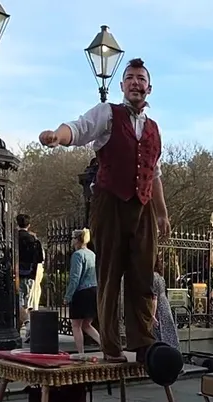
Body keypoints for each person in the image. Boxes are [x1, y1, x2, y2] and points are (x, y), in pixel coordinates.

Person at [38, 58, 170, 363]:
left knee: (143, 276)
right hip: (110, 202)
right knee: (110, 274)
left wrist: (162, 213)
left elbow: (155, 173)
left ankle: (142, 342)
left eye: (141, 78)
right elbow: (78, 128)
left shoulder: (154, 128)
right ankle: (111, 345)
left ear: (149, 88)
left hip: (143, 205)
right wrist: (57, 137)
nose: (135, 82)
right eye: (130, 77)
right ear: (122, 85)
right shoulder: (108, 113)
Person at [64, 229, 101, 355]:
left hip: (81, 292)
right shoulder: (92, 254)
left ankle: (81, 353)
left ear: (77, 240)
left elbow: (75, 277)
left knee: (76, 325)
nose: (71, 240)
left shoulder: (77, 255)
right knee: (87, 324)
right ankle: (103, 344)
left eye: (73, 238)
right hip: (93, 290)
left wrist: (68, 296)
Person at [16, 214, 43, 313]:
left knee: (18, 299)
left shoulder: (13, 238)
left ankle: (21, 319)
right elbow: (40, 258)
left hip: (16, 272)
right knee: (27, 299)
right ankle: (26, 317)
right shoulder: (33, 239)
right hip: (30, 272)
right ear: (29, 225)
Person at [152, 255, 177, 348]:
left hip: (159, 307)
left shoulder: (154, 277)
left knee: (159, 331)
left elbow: (154, 297)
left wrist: (153, 315)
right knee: (168, 331)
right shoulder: (160, 276)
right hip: (165, 304)